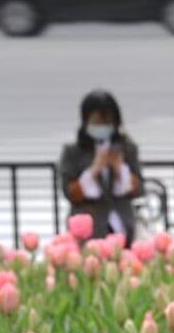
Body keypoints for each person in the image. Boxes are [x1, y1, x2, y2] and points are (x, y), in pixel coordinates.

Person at [58, 89, 143, 243]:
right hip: (88, 230)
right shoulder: (73, 152)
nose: (102, 126)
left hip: (122, 226)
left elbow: (138, 189)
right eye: (97, 122)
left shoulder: (127, 149)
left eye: (107, 122)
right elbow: (69, 192)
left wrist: (119, 169)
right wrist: (94, 169)